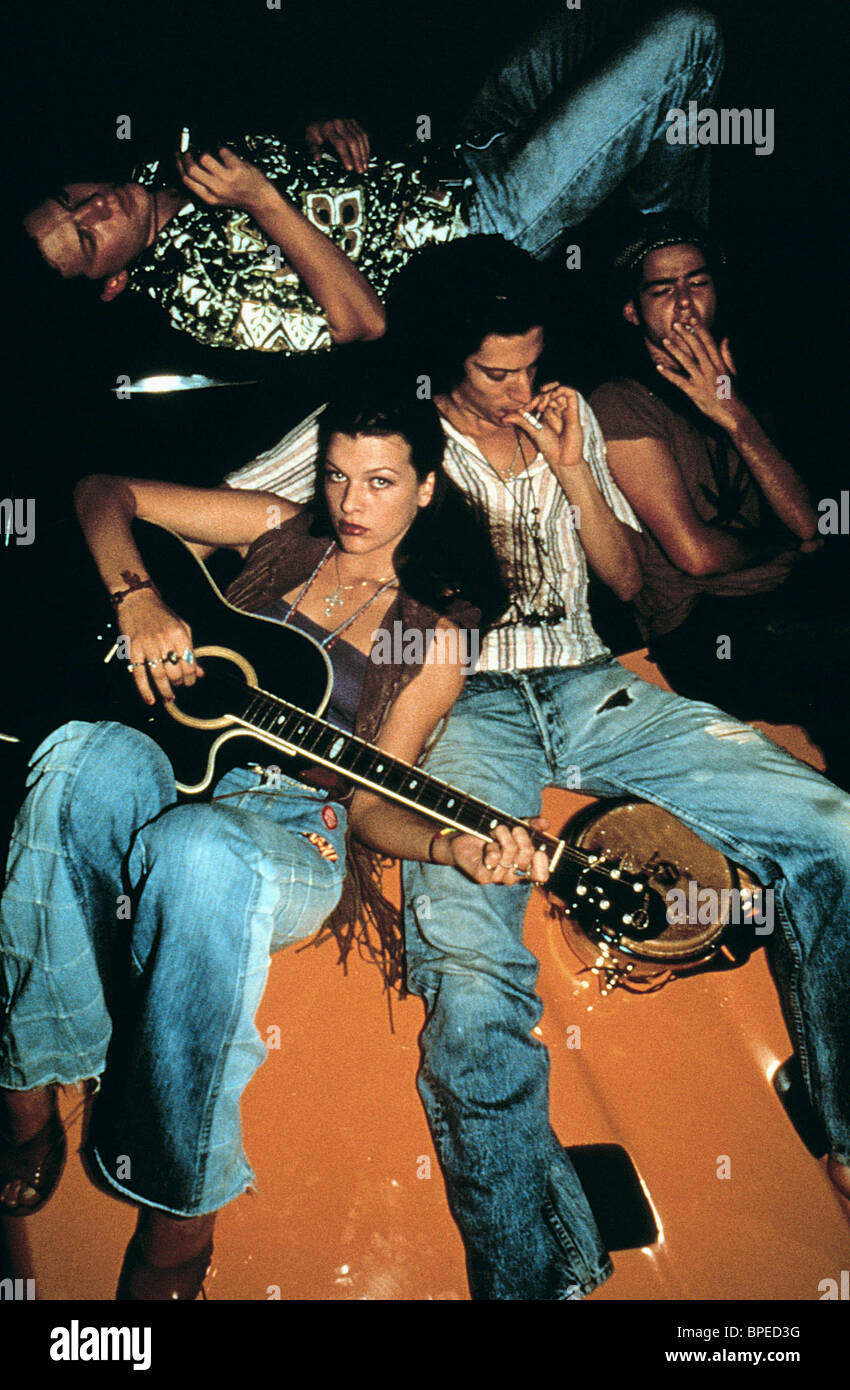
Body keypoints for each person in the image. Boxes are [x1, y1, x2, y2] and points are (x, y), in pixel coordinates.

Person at [223, 236, 850, 1299]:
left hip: (590, 679)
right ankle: (530, 1273)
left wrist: (570, 466)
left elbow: (629, 588)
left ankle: (839, 1127)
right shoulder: (383, 431)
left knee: (830, 826)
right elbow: (239, 530)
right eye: (495, 372)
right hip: (456, 699)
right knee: (470, 980)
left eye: (531, 362)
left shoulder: (572, 415)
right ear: (442, 358)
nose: (521, 388)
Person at [0, 380, 548, 1302]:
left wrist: (455, 848)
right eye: (337, 477)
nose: (350, 505)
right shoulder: (275, 528)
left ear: (425, 489)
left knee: (201, 854)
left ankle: (180, 1212)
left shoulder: (432, 636)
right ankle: (30, 1077)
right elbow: (102, 491)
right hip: (165, 759)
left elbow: (374, 804)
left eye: (380, 482)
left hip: (295, 826)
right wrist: (137, 600)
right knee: (76, 756)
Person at [22, 4, 724, 354]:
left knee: (607, 13)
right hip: (482, 222)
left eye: (69, 200)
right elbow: (365, 324)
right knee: (687, 35)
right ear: (112, 282)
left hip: (462, 147)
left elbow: (304, 164)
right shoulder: (193, 299)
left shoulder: (167, 163)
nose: (95, 207)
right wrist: (262, 200)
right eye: (87, 238)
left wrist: (315, 132)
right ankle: (663, 234)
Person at [589, 211, 850, 789]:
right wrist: (786, 544)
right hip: (708, 626)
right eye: (662, 288)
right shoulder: (618, 402)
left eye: (697, 282)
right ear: (633, 310)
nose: (684, 302)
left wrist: (735, 418)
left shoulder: (744, 386)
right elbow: (697, 556)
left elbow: (810, 522)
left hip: (790, 600)